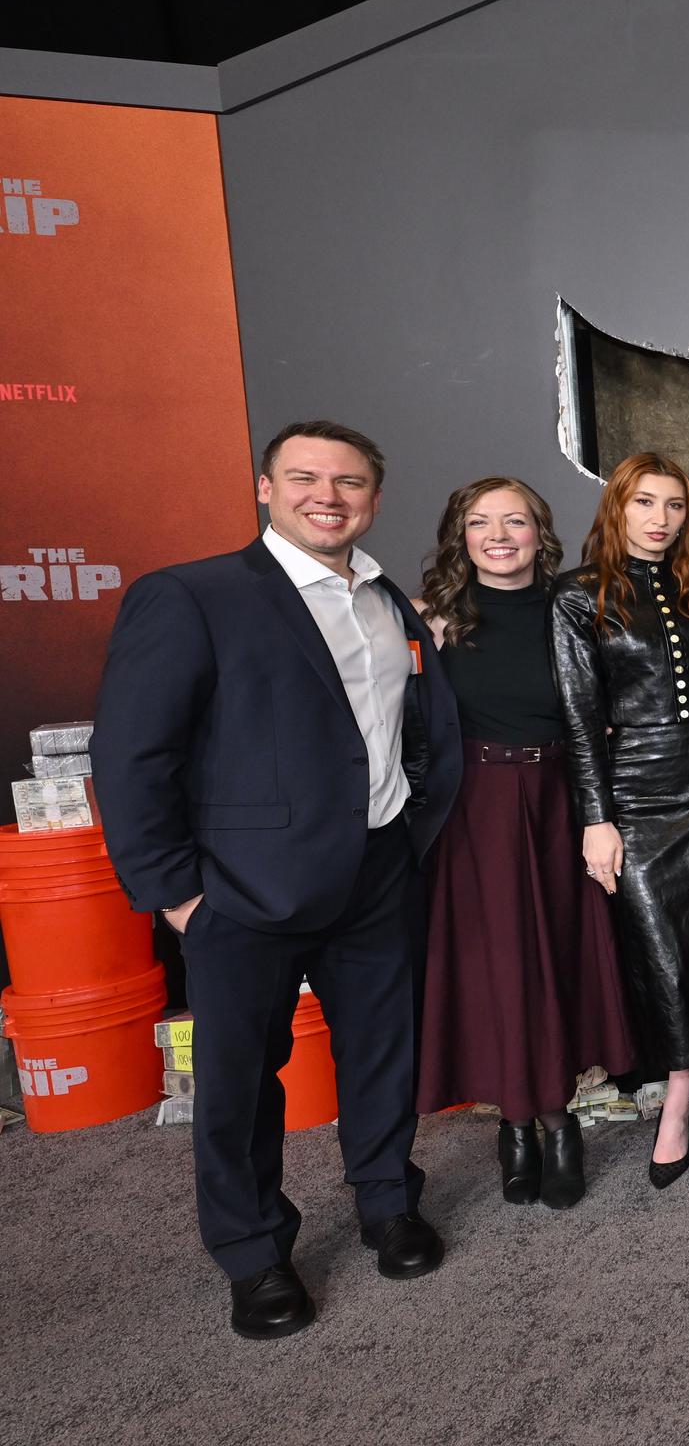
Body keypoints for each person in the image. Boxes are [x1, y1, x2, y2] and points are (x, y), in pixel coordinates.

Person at [93, 420, 462, 1339]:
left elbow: (406, 722)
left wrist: (410, 831)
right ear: (265, 487)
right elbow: (133, 754)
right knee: (239, 1083)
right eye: (304, 478)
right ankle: (255, 1254)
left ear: (374, 498)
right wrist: (176, 894)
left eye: (348, 482)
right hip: (242, 891)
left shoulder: (389, 603)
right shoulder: (192, 596)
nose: (326, 496)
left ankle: (387, 1201)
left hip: (375, 870)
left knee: (381, 1052)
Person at [414, 476, 635, 1208]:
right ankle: (517, 1123)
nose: (500, 534)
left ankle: (559, 1120)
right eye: (481, 522)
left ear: (542, 533)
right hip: (474, 809)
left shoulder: (573, 608)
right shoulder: (434, 620)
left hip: (561, 802)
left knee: (559, 962)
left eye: (516, 521)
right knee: (499, 969)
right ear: (461, 535)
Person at [553, 453, 689, 1201]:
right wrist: (595, 819)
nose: (661, 517)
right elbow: (578, 718)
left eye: (674, 505)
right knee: (664, 963)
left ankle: (675, 1104)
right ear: (618, 508)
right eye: (645, 502)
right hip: (635, 797)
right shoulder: (576, 597)